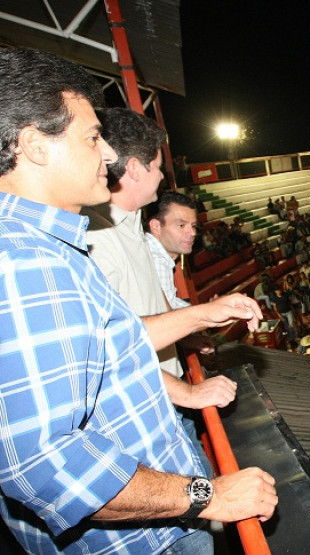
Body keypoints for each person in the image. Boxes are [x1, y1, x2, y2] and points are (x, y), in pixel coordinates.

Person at [0, 48, 276, 554]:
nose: (107, 155)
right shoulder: (20, 263)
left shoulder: (46, 247)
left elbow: (111, 345)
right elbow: (44, 467)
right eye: (91, 137)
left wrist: (201, 313)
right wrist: (206, 494)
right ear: (35, 146)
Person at [85, 108, 232, 481]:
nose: (163, 175)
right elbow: (111, 349)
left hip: (165, 395)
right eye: (156, 165)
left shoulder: (131, 220)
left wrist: (188, 333)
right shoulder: (96, 240)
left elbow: (154, 298)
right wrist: (189, 393)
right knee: (196, 518)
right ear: (134, 169)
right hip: (147, 412)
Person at [145, 190, 198, 309]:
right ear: (156, 227)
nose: (192, 233)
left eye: (193, 226)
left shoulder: (157, 254)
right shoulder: (156, 260)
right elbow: (168, 317)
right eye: (181, 225)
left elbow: (171, 303)